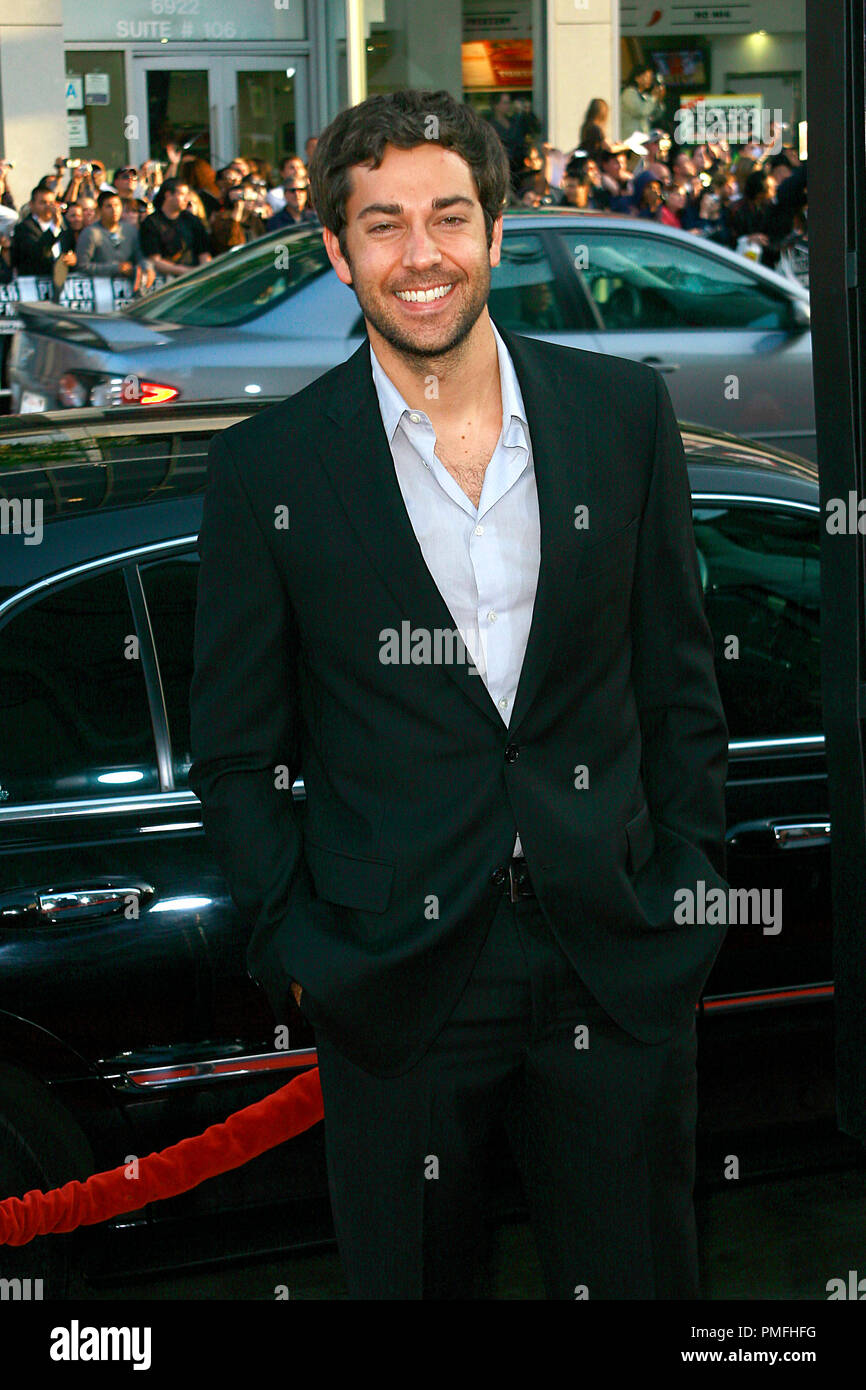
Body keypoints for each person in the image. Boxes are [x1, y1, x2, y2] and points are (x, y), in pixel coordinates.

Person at [188, 86, 730, 1302]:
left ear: (495, 230)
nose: (418, 254)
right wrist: (302, 950)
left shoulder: (621, 416)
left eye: (446, 215)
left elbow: (677, 686)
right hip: (396, 981)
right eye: (380, 225)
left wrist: (685, 885)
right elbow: (234, 749)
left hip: (616, 953)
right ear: (336, 253)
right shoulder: (268, 468)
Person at [75, 190, 152, 287]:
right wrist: (115, 268)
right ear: (99, 210)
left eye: (117, 205)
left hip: (129, 288)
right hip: (99, 288)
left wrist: (147, 267)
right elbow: (82, 266)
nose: (114, 210)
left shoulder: (130, 231)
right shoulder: (90, 233)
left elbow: (140, 256)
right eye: (108, 206)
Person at [139, 178, 211, 277]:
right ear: (168, 195)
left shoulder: (192, 220)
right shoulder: (151, 223)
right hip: (166, 279)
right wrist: (186, 271)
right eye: (182, 194)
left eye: (187, 195)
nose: (187, 199)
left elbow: (204, 253)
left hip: (196, 276)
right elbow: (155, 261)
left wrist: (204, 272)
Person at [10, 183, 76, 275]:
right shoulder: (24, 228)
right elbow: (37, 252)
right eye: (43, 203)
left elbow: (71, 248)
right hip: (34, 280)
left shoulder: (63, 225)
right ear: (31, 205)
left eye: (51, 203)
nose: (48, 207)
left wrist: (73, 258)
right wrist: (54, 227)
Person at [620, 64, 665, 134]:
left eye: (651, 77)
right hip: (630, 138)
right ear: (637, 78)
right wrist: (653, 98)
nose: (649, 80)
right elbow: (642, 111)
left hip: (642, 137)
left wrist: (659, 100)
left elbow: (653, 116)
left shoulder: (644, 95)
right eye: (646, 76)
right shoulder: (629, 93)